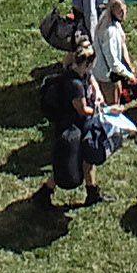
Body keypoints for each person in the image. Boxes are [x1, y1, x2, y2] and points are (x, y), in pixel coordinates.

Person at [35, 43, 106, 213]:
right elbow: (82, 110)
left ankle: (92, 192)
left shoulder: (81, 73)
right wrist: (99, 110)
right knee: (66, 164)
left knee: (87, 159)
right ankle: (44, 194)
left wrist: (97, 95)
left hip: (79, 125)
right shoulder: (74, 84)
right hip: (71, 128)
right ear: (87, 63)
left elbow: (92, 81)